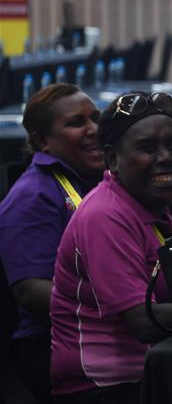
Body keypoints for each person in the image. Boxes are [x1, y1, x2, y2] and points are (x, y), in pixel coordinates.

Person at [50, 92, 172, 404]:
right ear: (112, 159)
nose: (166, 157)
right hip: (103, 390)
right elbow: (142, 320)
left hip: (148, 373)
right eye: (147, 148)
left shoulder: (147, 205)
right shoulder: (105, 216)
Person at [0, 83, 105, 403]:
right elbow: (30, 291)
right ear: (41, 141)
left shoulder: (87, 181)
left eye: (96, 118)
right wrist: (118, 310)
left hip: (91, 336)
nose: (94, 130)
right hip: (51, 349)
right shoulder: (33, 197)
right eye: (77, 123)